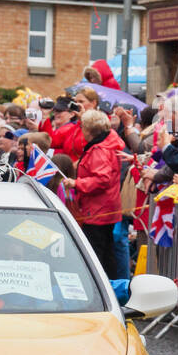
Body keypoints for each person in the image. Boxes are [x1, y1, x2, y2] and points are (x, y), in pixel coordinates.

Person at [60, 110, 122, 278]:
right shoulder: (107, 144)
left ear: (88, 130)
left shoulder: (99, 150)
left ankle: (101, 288)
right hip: (105, 206)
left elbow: (102, 179)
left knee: (97, 253)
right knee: (107, 251)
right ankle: (112, 287)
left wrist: (76, 183)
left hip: (98, 209)